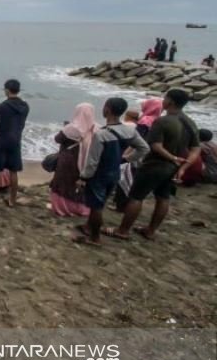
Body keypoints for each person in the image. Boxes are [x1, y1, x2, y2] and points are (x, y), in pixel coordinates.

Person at [105, 89, 200, 241]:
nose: (164, 100)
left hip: (155, 165)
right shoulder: (190, 122)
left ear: (170, 102)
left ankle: (122, 230)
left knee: (136, 196)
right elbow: (196, 149)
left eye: (166, 97)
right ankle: (150, 230)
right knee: (163, 198)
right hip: (173, 168)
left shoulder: (163, 121)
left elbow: (155, 145)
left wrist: (171, 157)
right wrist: (182, 168)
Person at [73, 98, 149, 245]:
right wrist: (127, 159)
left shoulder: (101, 134)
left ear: (107, 110)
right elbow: (144, 148)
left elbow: (92, 161)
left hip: (99, 175)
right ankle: (88, 227)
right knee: (101, 202)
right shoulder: (129, 130)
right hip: (115, 172)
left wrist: (83, 177)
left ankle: (94, 238)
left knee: (96, 207)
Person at [49, 103, 98, 217]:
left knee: (63, 183)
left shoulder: (72, 128)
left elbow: (58, 139)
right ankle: (80, 209)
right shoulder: (96, 128)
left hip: (68, 159)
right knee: (79, 185)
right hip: (86, 160)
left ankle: (61, 208)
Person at [0, 79, 29, 207]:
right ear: (18, 90)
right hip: (15, 139)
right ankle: (12, 200)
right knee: (13, 171)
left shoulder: (1, 107)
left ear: (6, 90)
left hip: (0, 140)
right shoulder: (25, 106)